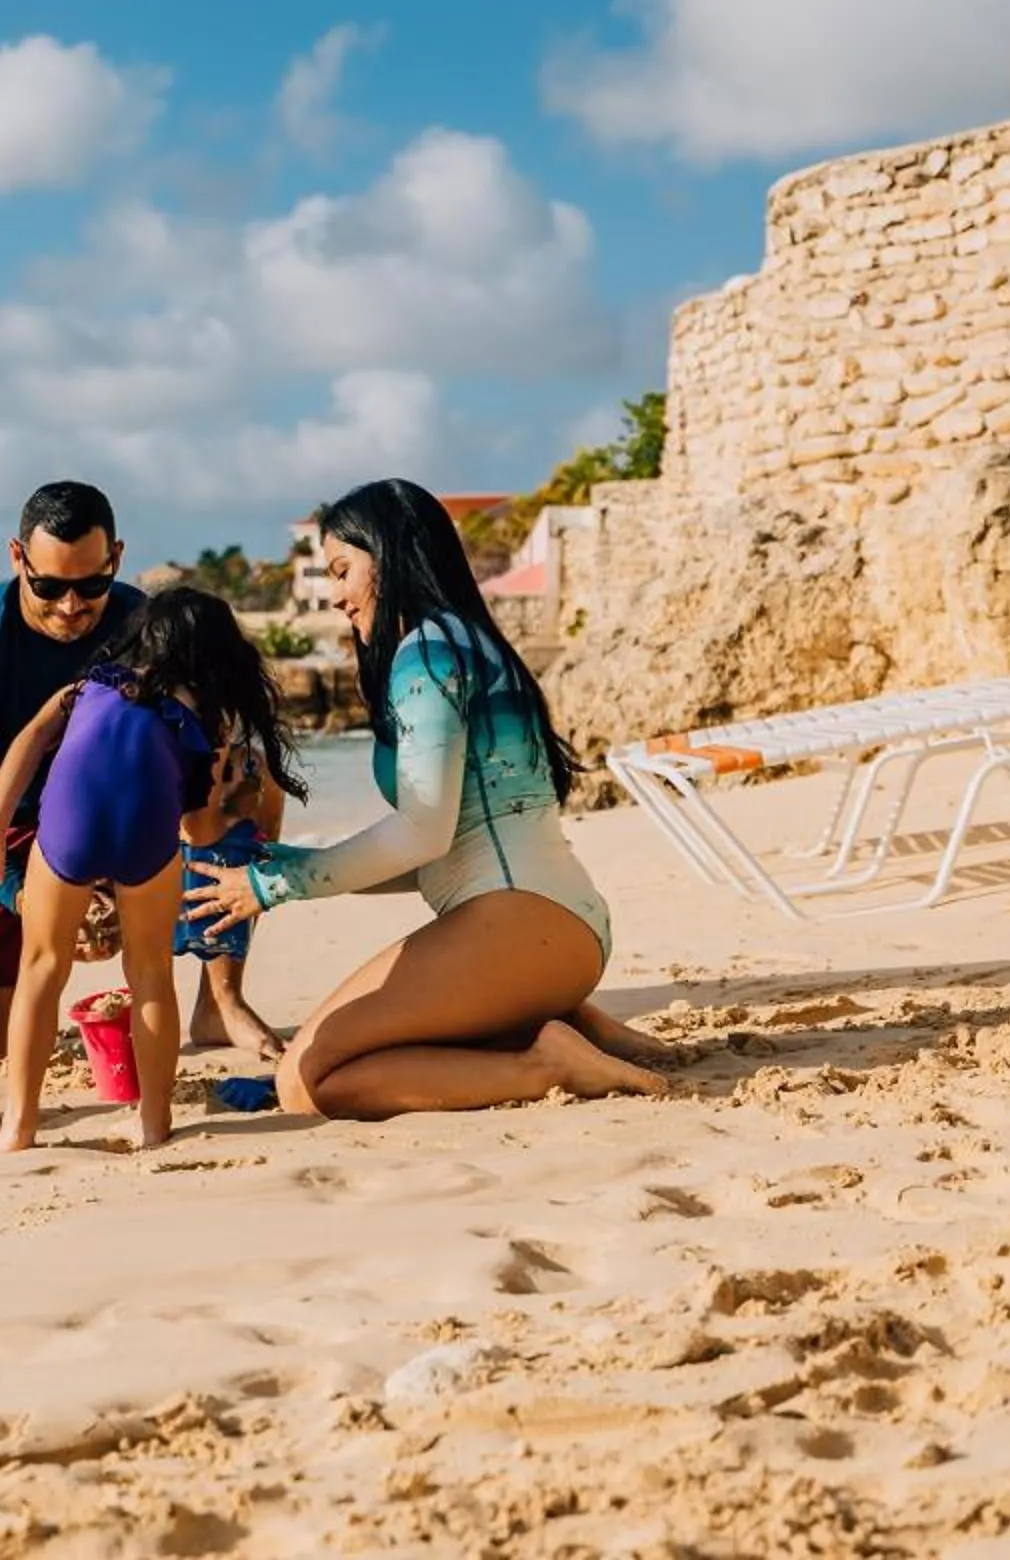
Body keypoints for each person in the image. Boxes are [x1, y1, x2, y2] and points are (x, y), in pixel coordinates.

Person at [182, 479, 680, 1119]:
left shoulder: (428, 653)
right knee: (327, 1057)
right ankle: (559, 1025)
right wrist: (286, 865)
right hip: (551, 926)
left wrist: (283, 881)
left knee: (307, 1083)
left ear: (386, 557)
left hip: (524, 927)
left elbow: (421, 835)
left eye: (343, 571)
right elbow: (444, 850)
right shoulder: (466, 640)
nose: (335, 595)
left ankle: (545, 1063)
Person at [0, 588, 306, 1151]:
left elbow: (30, 740)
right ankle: (152, 1121)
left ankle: (17, 1126)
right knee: (149, 974)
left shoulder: (87, 687)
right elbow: (196, 829)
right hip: (145, 836)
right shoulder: (205, 720)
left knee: (42, 968)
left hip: (67, 827)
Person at [0, 481, 146, 1067]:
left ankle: (223, 1002)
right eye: (49, 586)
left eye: (92, 584)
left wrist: (127, 876)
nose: (71, 605)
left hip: (104, 819)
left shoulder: (142, 626)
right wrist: (26, 894)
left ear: (116, 558)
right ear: (17, 558)